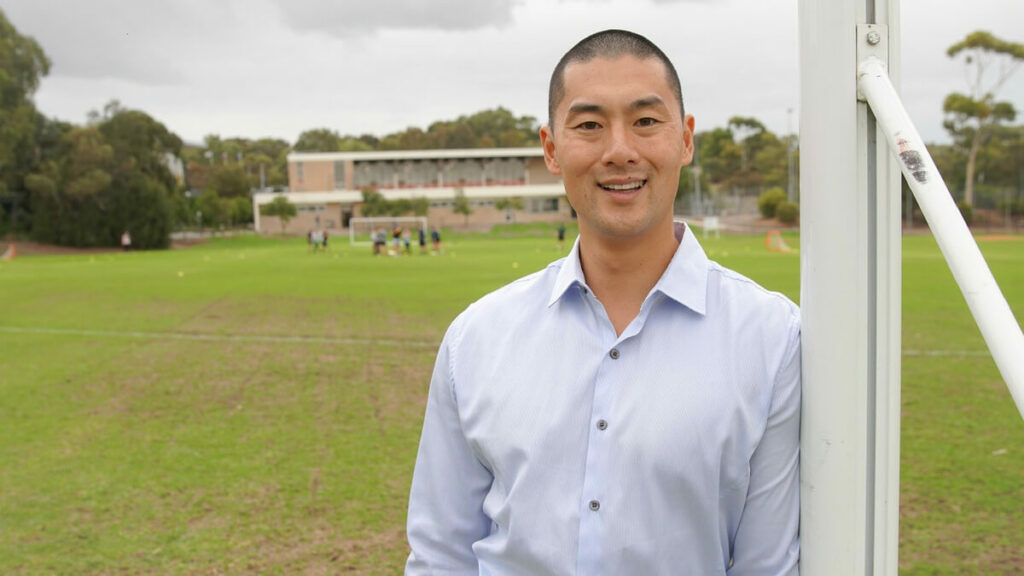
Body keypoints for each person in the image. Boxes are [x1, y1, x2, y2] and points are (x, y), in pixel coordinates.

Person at [405, 30, 801, 575]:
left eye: (645, 121)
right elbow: (439, 555)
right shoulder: (475, 339)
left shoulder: (773, 337)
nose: (620, 151)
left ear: (685, 139)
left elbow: (769, 565)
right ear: (550, 148)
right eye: (589, 125)